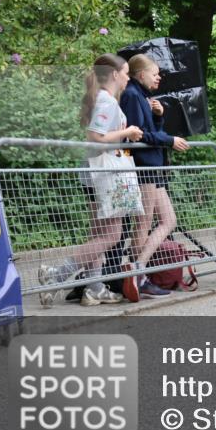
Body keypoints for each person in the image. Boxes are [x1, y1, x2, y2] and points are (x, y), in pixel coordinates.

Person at [38, 54, 143, 307]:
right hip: (106, 176)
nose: (129, 77)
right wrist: (127, 132)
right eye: (127, 72)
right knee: (112, 234)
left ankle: (94, 287)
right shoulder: (107, 101)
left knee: (98, 234)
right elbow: (96, 137)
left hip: (96, 174)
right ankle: (57, 276)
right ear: (115, 74)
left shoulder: (102, 99)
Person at [118, 54, 192, 301]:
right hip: (144, 167)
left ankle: (138, 266)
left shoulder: (143, 97)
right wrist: (170, 140)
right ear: (141, 75)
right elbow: (139, 135)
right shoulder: (131, 95)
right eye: (154, 73)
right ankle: (139, 274)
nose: (158, 77)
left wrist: (159, 116)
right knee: (143, 222)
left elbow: (151, 131)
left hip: (154, 165)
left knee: (168, 219)